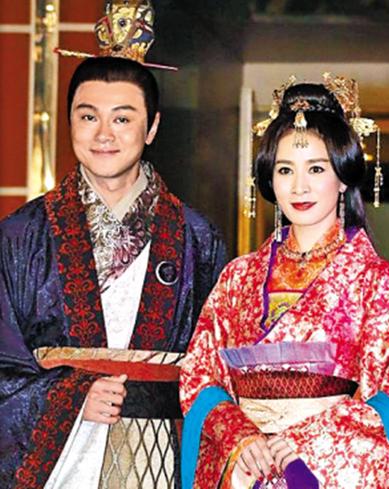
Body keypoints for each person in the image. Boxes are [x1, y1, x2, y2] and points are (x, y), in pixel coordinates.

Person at [0, 2, 226, 488]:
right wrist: (68, 396)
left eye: (123, 119)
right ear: (69, 122)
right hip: (60, 457)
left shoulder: (196, 237)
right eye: (88, 116)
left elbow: (218, 366)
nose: (104, 134)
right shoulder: (20, 235)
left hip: (160, 453)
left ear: (152, 127)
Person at [179, 74, 389, 489]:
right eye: (285, 170)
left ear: (343, 176)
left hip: (324, 472)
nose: (299, 186)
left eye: (316, 168)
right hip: (248, 470)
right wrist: (237, 435)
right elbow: (200, 378)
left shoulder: (374, 282)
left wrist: (311, 441)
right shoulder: (237, 277)